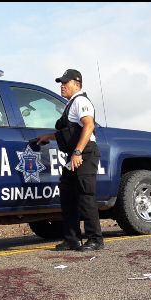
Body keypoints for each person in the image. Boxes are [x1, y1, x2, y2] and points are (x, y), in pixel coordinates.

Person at [35, 68, 103, 251]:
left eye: (66, 82)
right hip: (74, 154)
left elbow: (88, 126)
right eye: (61, 83)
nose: (62, 86)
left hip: (85, 153)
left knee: (85, 196)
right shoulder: (71, 103)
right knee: (67, 195)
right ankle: (72, 239)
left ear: (77, 84)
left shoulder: (81, 101)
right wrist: (48, 137)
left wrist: (78, 152)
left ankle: (95, 239)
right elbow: (70, 132)